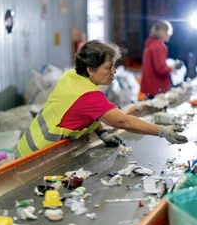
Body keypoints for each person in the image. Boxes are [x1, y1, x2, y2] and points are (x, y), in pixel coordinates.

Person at [17, 40, 187, 157]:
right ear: (90, 69)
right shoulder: (88, 96)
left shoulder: (72, 76)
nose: (114, 72)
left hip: (26, 148)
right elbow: (123, 122)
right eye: (109, 67)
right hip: (36, 158)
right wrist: (161, 131)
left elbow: (86, 113)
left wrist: (102, 133)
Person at [140, 20, 183, 98]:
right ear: (165, 32)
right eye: (169, 32)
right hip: (158, 89)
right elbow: (160, 70)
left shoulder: (150, 44)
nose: (170, 35)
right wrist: (173, 67)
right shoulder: (159, 47)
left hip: (150, 88)